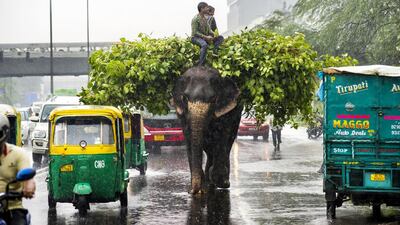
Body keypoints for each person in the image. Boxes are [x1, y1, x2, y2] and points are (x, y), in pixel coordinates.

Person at [0, 114, 35, 225]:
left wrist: (29, 186)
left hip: (12, 208)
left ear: (5, 133)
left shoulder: (18, 154)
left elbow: (28, 178)